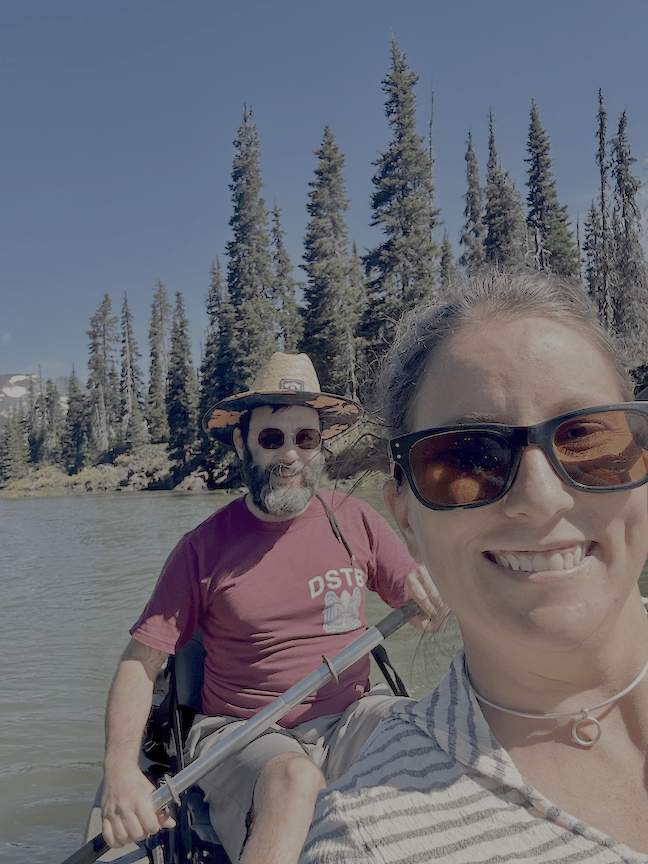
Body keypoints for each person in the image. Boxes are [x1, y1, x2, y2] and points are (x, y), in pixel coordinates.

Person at [300, 270, 648, 863]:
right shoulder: (369, 842)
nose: (541, 497)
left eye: (586, 438)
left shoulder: (349, 525)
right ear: (405, 515)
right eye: (466, 458)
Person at [100, 352, 448, 864]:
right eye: (271, 438)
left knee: (427, 734)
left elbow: (425, 614)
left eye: (305, 438)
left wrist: (435, 595)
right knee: (294, 779)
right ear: (243, 443)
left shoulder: (356, 520)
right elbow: (140, 663)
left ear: (321, 445)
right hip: (243, 733)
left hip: (352, 715)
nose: (290, 454)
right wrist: (120, 772)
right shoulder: (201, 549)